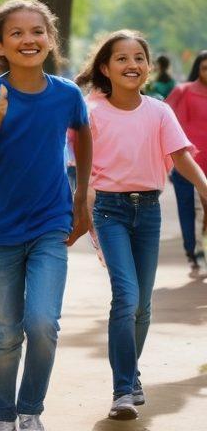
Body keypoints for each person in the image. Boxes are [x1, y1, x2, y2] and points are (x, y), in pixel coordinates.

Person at [0, 0, 91, 431]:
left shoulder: (67, 94)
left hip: (50, 223)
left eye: (37, 31)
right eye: (15, 33)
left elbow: (83, 133)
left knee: (42, 324)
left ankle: (30, 410)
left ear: (50, 39)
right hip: (0, 228)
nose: (28, 39)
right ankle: (2, 416)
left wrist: (82, 198)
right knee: (5, 332)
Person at [75, 30, 207, 420]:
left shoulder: (160, 110)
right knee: (127, 297)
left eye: (139, 58)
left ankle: (131, 375)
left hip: (148, 211)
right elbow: (76, 163)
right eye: (122, 58)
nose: (132, 65)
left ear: (148, 67)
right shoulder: (92, 111)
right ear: (105, 67)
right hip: (109, 212)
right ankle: (122, 390)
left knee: (143, 306)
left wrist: (204, 186)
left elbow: (181, 156)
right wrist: (81, 202)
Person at [165, 50, 207, 273]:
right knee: (188, 208)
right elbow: (165, 121)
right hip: (186, 161)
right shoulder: (183, 91)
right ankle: (193, 251)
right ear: (197, 69)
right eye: (204, 68)